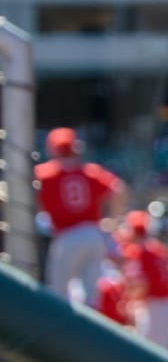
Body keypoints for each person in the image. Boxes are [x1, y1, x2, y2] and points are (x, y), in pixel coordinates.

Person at [33, 126, 125, 305]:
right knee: (92, 295)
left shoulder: (45, 172)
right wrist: (112, 222)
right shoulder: (90, 171)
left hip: (67, 235)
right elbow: (118, 189)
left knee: (59, 293)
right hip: (93, 233)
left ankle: (61, 332)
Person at [120, 211, 168, 353]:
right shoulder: (158, 248)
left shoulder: (138, 251)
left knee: (152, 351)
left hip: (154, 306)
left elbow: (141, 284)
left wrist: (130, 302)